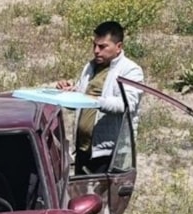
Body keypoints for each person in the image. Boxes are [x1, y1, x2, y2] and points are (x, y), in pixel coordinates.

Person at [56, 21, 144, 175]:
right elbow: (81, 100)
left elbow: (126, 105)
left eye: (103, 47)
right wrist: (69, 93)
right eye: (94, 45)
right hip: (84, 149)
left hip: (109, 153)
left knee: (101, 198)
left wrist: (92, 100)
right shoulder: (90, 67)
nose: (96, 51)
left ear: (119, 47)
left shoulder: (130, 71)